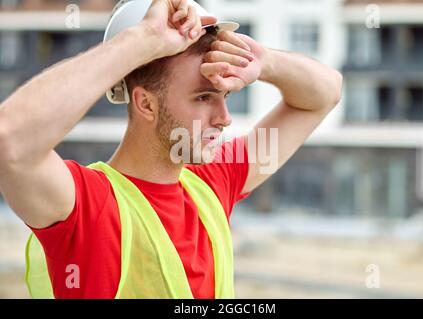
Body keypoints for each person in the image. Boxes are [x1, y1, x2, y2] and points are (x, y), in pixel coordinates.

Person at [0, 0, 342, 299]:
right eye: (204, 97)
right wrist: (144, 40)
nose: (224, 119)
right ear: (145, 104)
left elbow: (325, 94)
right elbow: (9, 140)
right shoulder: (90, 207)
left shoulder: (213, 181)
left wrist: (262, 60)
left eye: (225, 97)